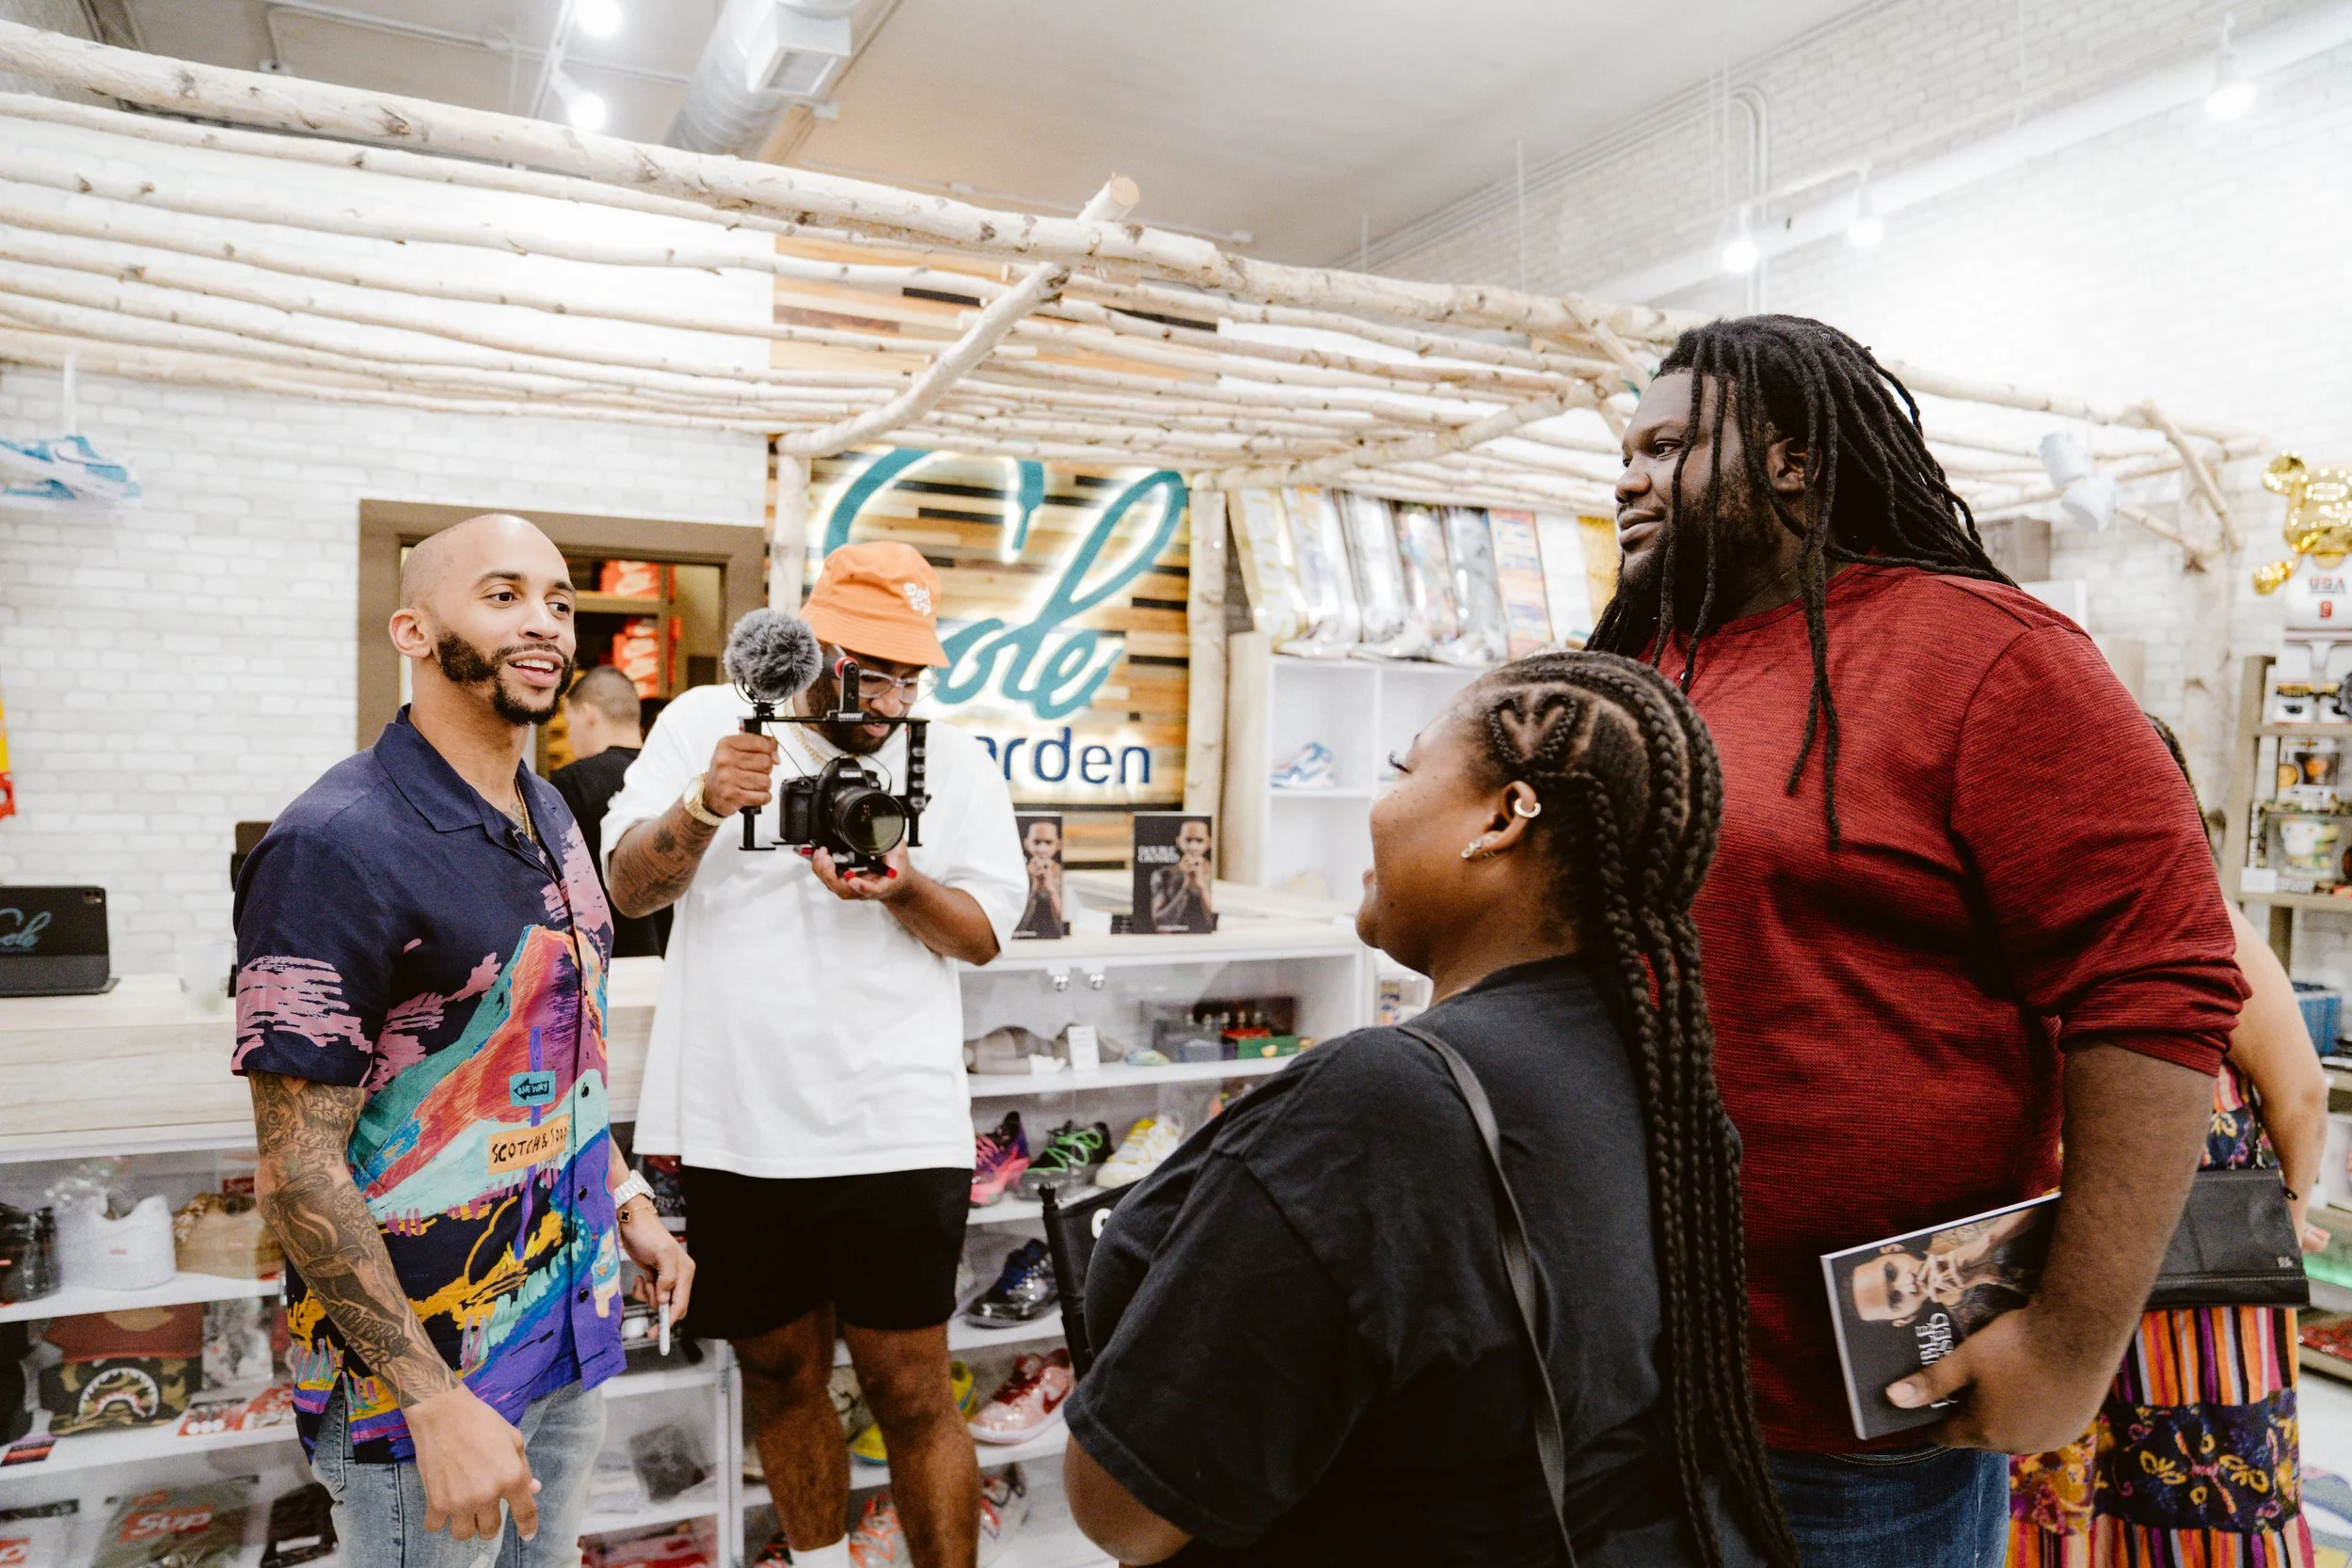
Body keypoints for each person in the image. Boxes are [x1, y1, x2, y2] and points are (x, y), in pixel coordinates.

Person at [1589, 314, 2247, 1566]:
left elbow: (2158, 987)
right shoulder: (1650, 659)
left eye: (1668, 443)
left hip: (1849, 1422)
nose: (1628, 473)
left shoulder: (1992, 654)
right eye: (1627, 447)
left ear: (1790, 457)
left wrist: (2069, 1338)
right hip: (1613, 1365)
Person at [1061, 652, 1801, 1568]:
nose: (1380, 805)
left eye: (1403, 770)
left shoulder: (1381, 1105)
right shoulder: (1664, 1076)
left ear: (1501, 817)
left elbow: (1122, 1507)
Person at [232, 513, 694, 1568]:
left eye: (560, 599)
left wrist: (626, 1203)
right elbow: (294, 1166)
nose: (542, 623)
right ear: (411, 629)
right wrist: (430, 1398)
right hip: (420, 1388)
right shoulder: (333, 843)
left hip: (568, 1328)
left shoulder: (549, 810)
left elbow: (550, 1066)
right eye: (502, 595)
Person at [601, 542, 1025, 1568]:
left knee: (913, 1387)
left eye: (909, 675)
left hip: (896, 1118)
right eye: (868, 669)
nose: (888, 698)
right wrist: (704, 805)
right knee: (780, 1372)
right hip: (739, 1118)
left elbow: (982, 934)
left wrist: (903, 887)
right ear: (809, 647)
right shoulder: (707, 722)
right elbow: (627, 888)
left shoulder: (953, 758)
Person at [2007, 717, 2327, 1565]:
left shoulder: (2204, 913)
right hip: (2073, 1267)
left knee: (2209, 1483)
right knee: (2071, 1485)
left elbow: (2299, 1088)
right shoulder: (2027, 916)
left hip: (2205, 1276)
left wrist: (2286, 1216)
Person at [549, 664, 670, 958]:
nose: (571, 736)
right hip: (674, 957)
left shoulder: (573, 782)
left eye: (569, 723)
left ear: (588, 715)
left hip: (604, 958)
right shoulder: (677, 778)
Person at [1147, 817, 1214, 932]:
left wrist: (1201, 886)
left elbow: (1214, 922)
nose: (1193, 847)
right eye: (1188, 840)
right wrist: (1185, 886)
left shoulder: (1214, 873)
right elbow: (1160, 923)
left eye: (1199, 841)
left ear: (1209, 843)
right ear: (1179, 841)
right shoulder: (1163, 875)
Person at [1017, 816, 1065, 939]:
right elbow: (1013, 928)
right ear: (1026, 843)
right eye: (1036, 842)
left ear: (1058, 844)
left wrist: (1051, 890)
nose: (1041, 849)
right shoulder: (1017, 876)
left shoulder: (1063, 875)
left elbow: (1065, 928)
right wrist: (1034, 889)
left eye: (1048, 843)